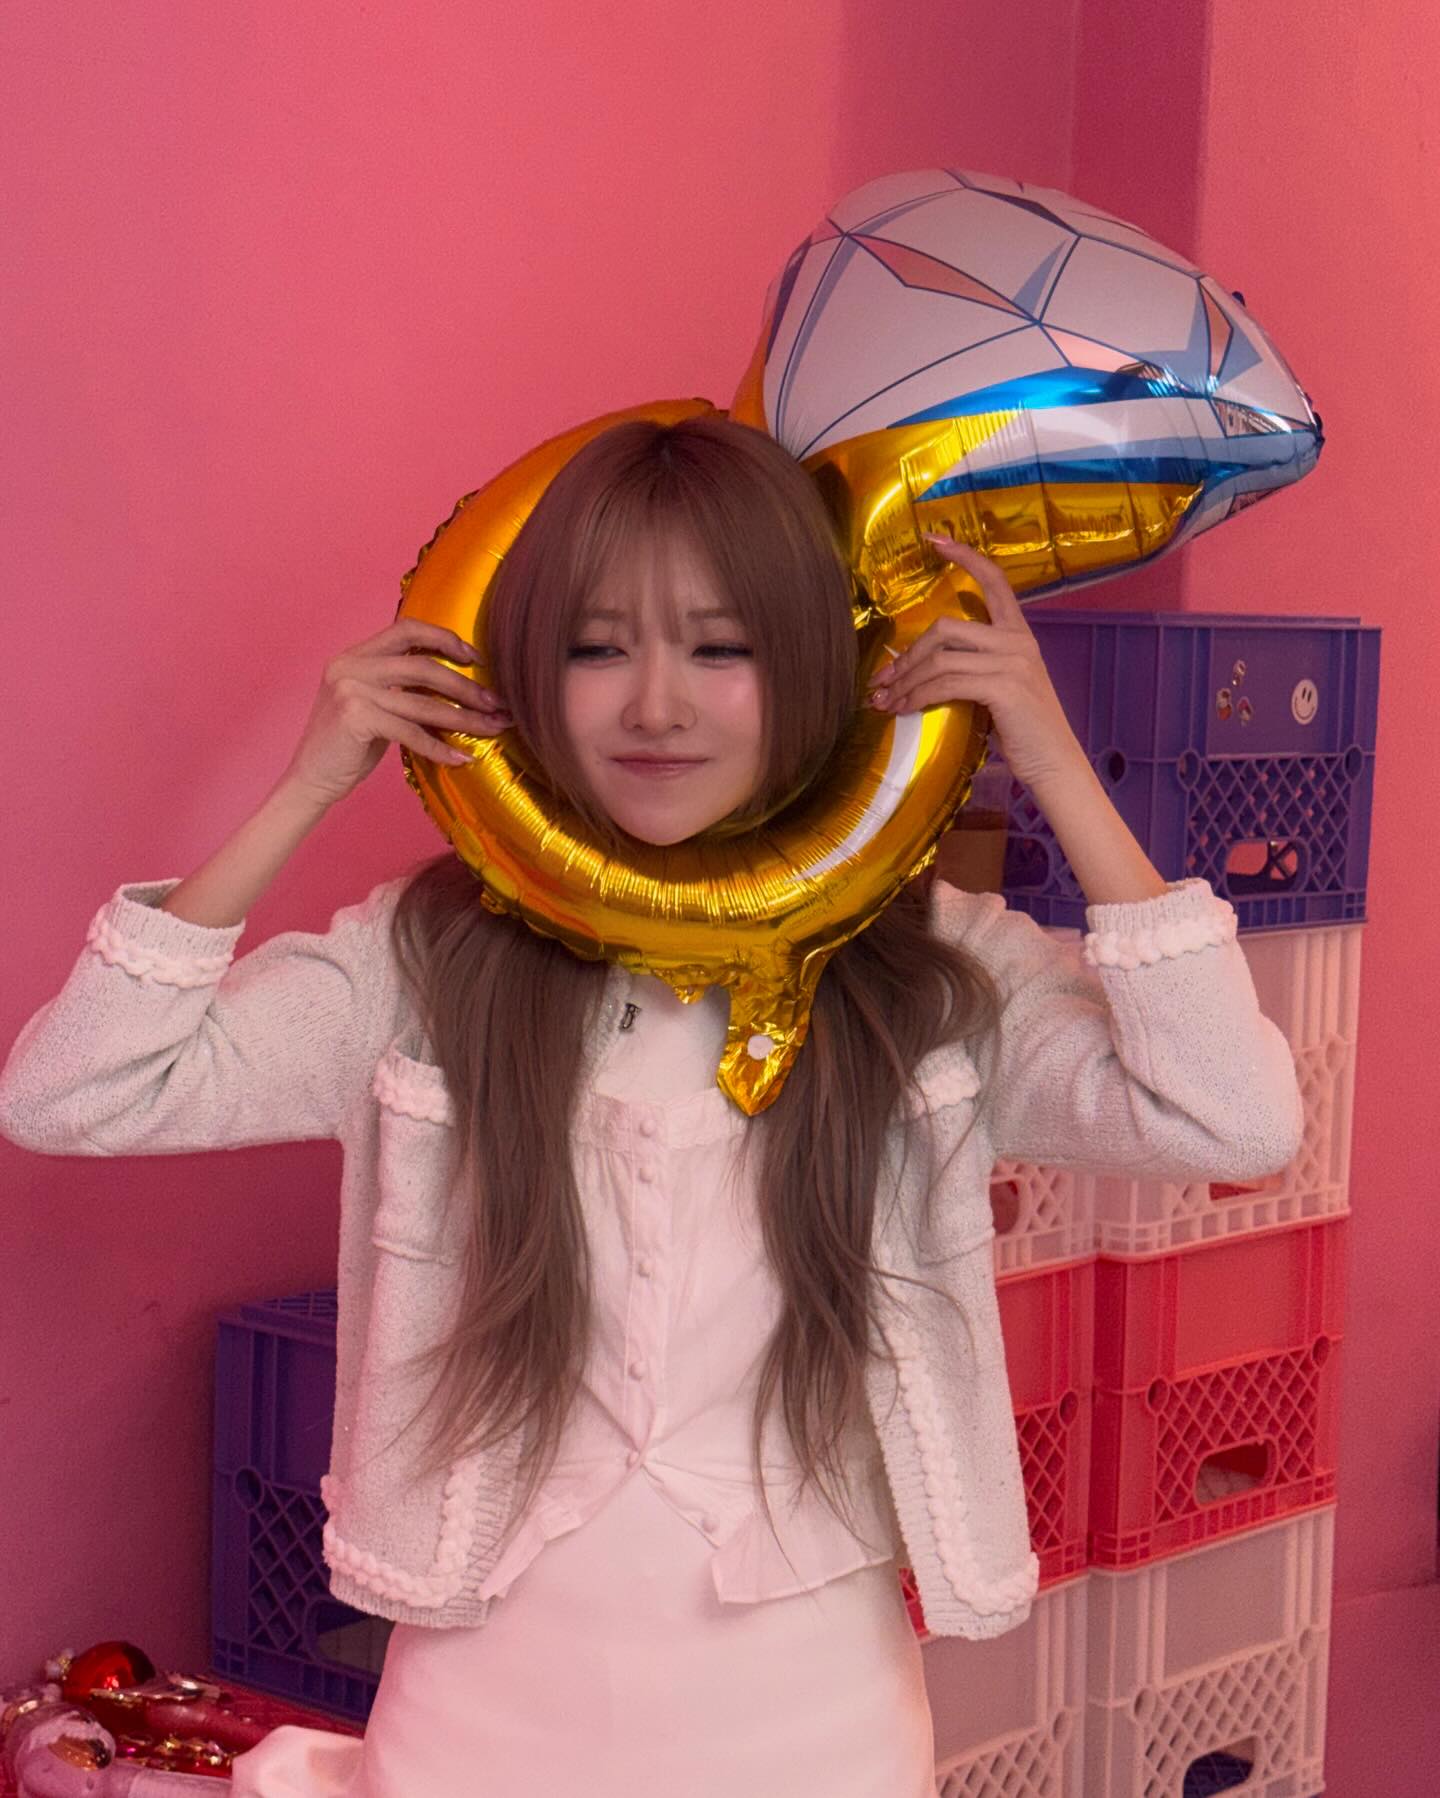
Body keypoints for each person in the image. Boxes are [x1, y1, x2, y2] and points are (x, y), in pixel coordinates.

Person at [0, 415, 1304, 1798]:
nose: (656, 707)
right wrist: (307, 784)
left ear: (812, 666)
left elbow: (1232, 1119)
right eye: (597, 648)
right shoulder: (427, 962)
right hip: (483, 1705)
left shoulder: (930, 971)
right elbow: (72, 1093)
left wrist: (1052, 760)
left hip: (813, 1717)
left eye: (721, 648)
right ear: (525, 674)